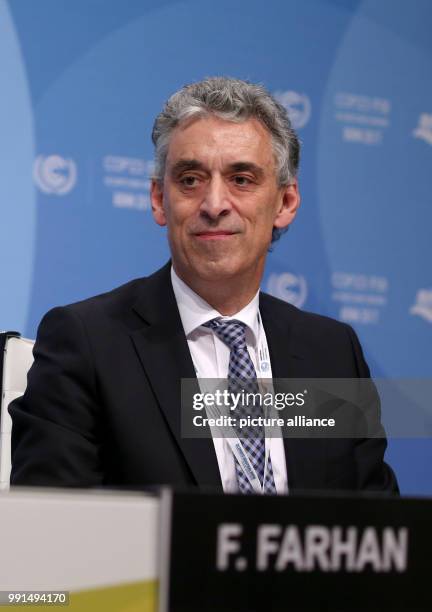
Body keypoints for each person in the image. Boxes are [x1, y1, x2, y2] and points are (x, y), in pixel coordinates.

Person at [9, 77, 398, 493]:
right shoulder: (87, 343)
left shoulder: (332, 353)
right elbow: (54, 532)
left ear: (285, 203)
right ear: (160, 199)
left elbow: (375, 529)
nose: (214, 205)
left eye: (242, 179)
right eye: (190, 179)